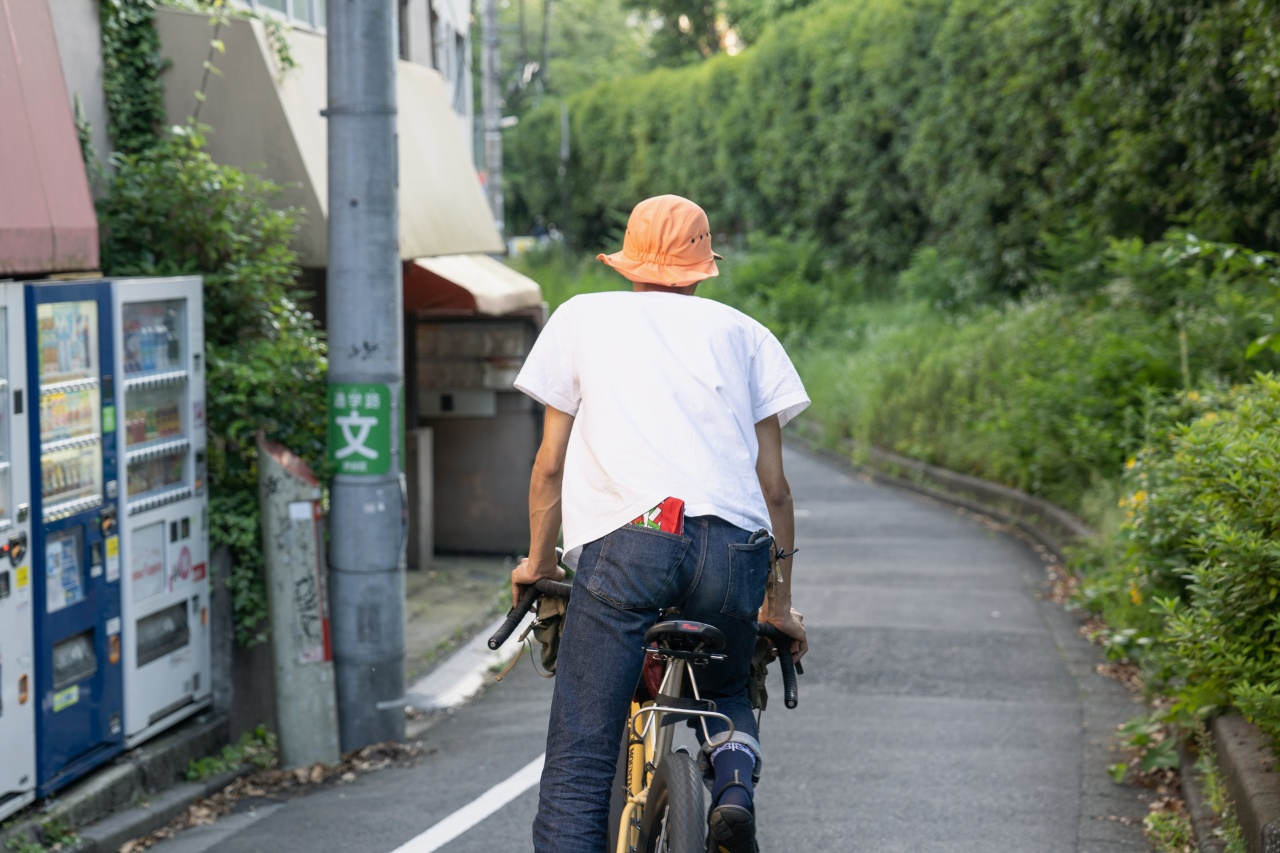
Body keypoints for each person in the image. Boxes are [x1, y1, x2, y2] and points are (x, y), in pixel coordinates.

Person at [511, 194, 809, 853]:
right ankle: (731, 790)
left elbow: (548, 466)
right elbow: (775, 487)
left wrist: (538, 564)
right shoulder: (747, 334)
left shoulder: (583, 317)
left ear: (627, 261)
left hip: (632, 536)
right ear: (704, 268)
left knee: (583, 749)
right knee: (727, 681)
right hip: (735, 548)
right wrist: (780, 605)